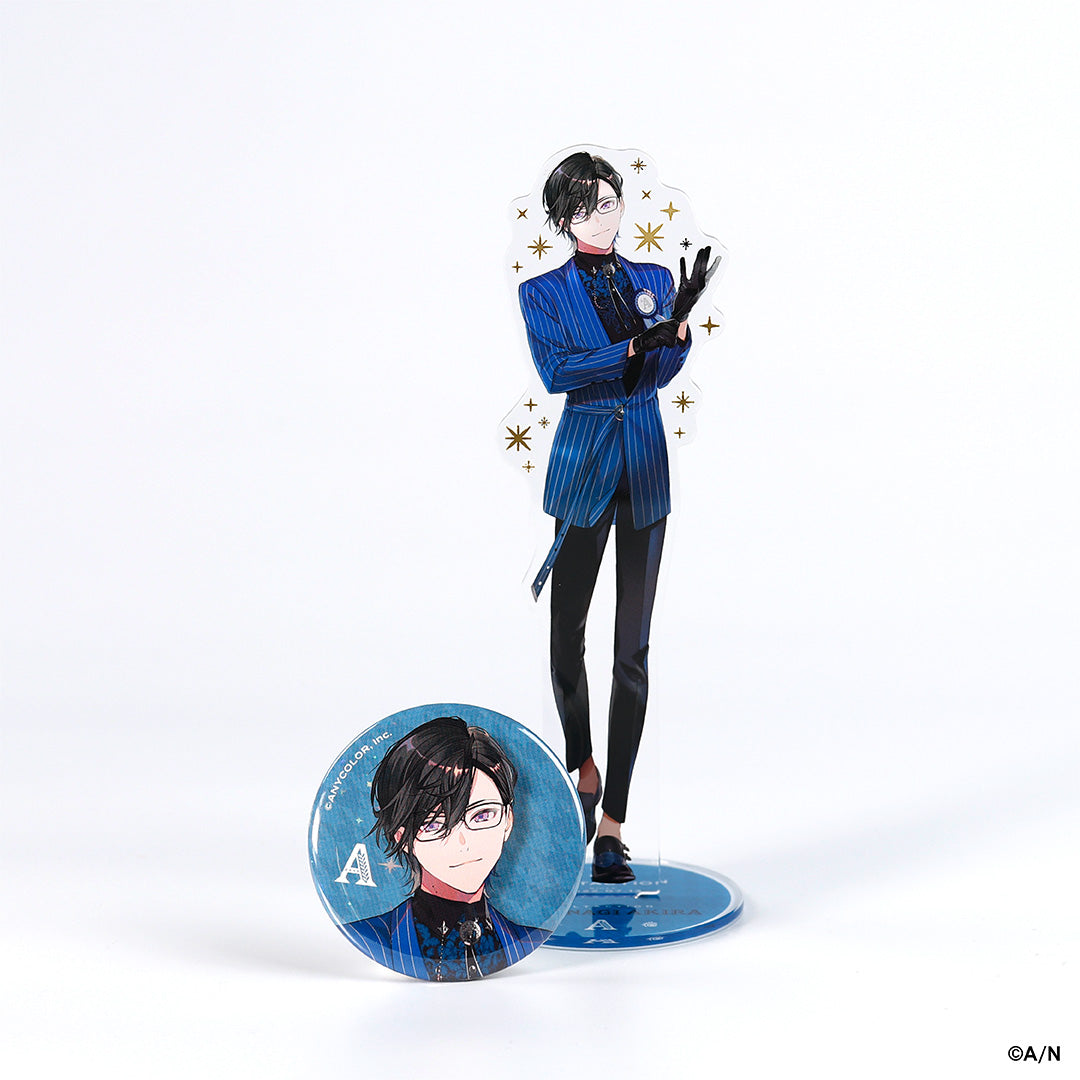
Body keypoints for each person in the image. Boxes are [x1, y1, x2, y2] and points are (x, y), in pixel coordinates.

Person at [518, 151, 716, 883]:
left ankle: (613, 824)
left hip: (644, 466)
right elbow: (558, 372)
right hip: (583, 463)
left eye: (611, 202)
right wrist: (634, 342)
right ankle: (582, 762)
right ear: (563, 217)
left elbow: (653, 376)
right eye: (589, 206)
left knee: (632, 650)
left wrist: (677, 335)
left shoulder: (655, 278)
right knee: (566, 634)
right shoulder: (541, 291)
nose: (605, 216)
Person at [339, 716, 545, 981]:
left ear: (508, 820)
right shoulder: (371, 938)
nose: (464, 842)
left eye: (483, 815)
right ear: (402, 838)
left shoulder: (527, 940)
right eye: (435, 824)